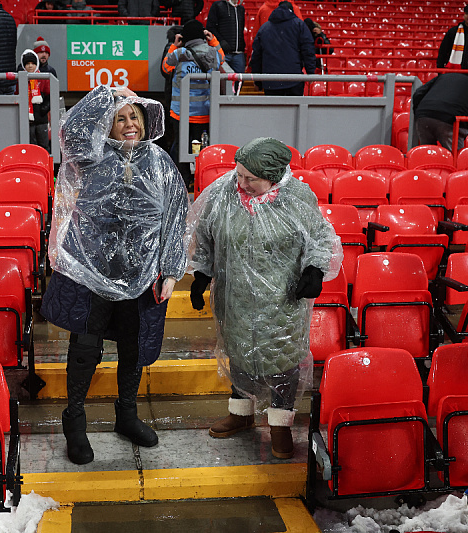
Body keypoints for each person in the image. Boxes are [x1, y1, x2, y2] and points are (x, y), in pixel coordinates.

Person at [40, 84, 189, 465]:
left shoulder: (159, 161)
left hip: (141, 273)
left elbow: (175, 217)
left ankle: (127, 414)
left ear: (145, 122)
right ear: (107, 124)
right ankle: (74, 421)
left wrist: (171, 269)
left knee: (133, 346)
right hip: (91, 271)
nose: (128, 124)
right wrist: (105, 94)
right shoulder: (89, 157)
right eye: (119, 118)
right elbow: (71, 130)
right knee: (85, 349)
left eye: (133, 117)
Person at [187, 137, 342, 459]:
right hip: (236, 296)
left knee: (282, 362)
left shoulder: (296, 197)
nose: (241, 183)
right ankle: (241, 414)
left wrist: (314, 270)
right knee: (239, 353)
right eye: (239, 174)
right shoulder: (223, 192)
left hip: (282, 299)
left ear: (273, 176)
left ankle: (280, 425)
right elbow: (203, 235)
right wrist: (202, 274)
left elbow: (319, 237)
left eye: (250, 179)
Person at [161, 19, 225, 189]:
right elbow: (222, 59)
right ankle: (199, 181)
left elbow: (166, 68)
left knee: (181, 146)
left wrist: (174, 45)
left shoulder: (179, 53)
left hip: (180, 113)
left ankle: (181, 181)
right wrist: (213, 40)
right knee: (200, 148)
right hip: (203, 113)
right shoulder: (212, 53)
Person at [249, 1, 316, 96]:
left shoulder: (264, 28)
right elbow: (308, 49)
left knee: (273, 110)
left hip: (271, 81)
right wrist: (311, 72)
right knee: (295, 110)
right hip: (294, 79)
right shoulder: (299, 25)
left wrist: (258, 81)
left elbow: (257, 56)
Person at [412, 72, 468, 151]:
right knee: (454, 158)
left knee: (427, 154)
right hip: (449, 120)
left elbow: (418, 93)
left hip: (424, 115)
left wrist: (418, 112)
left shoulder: (442, 77)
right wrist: (465, 129)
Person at [18, 49, 50, 152]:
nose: (30, 66)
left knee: (44, 146)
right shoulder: (19, 79)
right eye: (27, 64)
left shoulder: (43, 78)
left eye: (33, 63)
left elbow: (49, 96)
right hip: (27, 120)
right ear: (24, 65)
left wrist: (43, 110)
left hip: (41, 119)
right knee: (30, 146)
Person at [205, 0, 247, 73]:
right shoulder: (218, 6)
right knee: (220, 81)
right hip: (222, 53)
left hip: (238, 53)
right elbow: (210, 27)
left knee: (239, 81)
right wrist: (221, 41)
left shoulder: (241, 9)